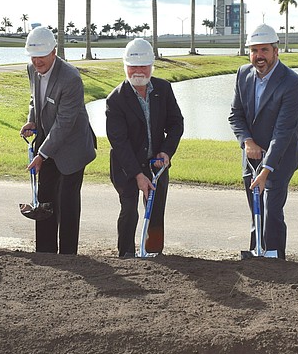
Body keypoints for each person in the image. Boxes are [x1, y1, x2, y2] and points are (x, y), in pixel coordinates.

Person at [228, 23, 298, 260]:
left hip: (281, 154)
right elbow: (235, 115)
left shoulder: (292, 83)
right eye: (254, 50)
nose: (258, 56)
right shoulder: (243, 74)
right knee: (255, 204)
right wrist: (247, 141)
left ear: (275, 51)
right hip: (251, 153)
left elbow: (283, 131)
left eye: (264, 50)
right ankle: (256, 253)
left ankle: (275, 257)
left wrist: (266, 170)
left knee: (272, 207)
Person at [20, 26, 96, 254]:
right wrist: (32, 120)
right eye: (33, 56)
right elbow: (35, 99)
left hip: (72, 147)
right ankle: (45, 253)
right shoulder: (32, 68)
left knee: (67, 203)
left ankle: (68, 255)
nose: (37, 61)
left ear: (54, 51)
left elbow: (65, 122)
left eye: (41, 55)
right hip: (48, 142)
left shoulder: (71, 78)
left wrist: (42, 154)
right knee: (45, 198)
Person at [105, 38, 184, 257]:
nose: (138, 71)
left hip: (157, 164)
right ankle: (127, 254)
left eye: (143, 66)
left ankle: (153, 253)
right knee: (129, 209)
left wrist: (166, 152)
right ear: (125, 67)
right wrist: (138, 175)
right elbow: (119, 143)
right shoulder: (115, 100)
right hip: (126, 166)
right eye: (133, 66)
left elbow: (176, 123)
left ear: (151, 66)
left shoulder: (163, 89)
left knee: (156, 211)